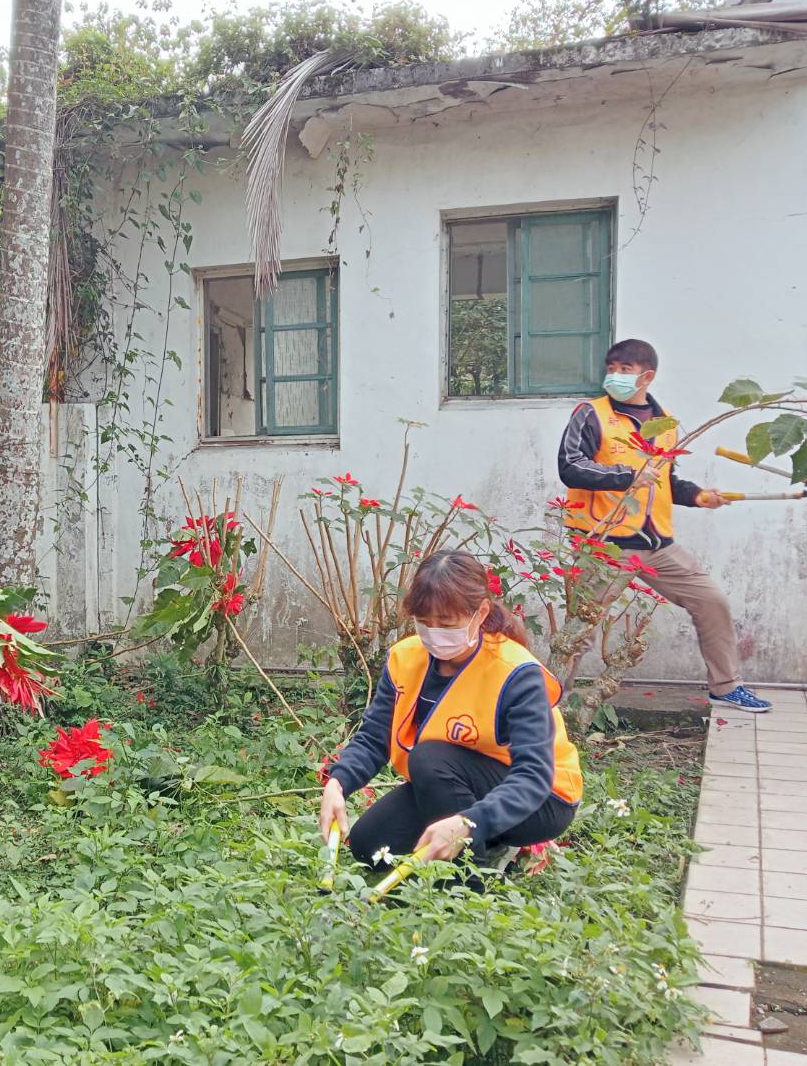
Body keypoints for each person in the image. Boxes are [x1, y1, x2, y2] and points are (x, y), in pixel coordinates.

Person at [319, 551, 582, 875]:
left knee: (429, 759)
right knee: (369, 847)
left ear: (480, 612)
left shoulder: (515, 672)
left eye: (446, 623)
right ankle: (488, 842)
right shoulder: (405, 659)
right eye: (424, 623)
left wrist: (468, 823)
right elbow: (376, 737)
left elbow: (533, 778)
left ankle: (464, 881)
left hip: (540, 800)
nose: (434, 633)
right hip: (452, 784)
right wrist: (338, 784)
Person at [557, 338, 771, 713]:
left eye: (625, 370)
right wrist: (625, 475)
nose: (614, 376)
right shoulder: (590, 414)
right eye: (611, 369)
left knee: (712, 602)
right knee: (581, 629)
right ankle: (550, 700)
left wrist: (698, 496)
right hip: (602, 543)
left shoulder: (666, 425)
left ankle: (725, 686)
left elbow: (664, 480)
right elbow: (570, 466)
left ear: (647, 376)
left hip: (656, 543)